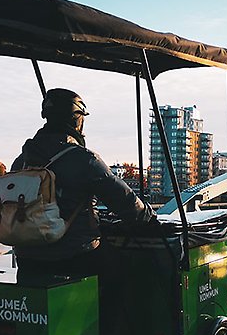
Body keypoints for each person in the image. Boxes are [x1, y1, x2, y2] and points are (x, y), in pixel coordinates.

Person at [12, 87, 155, 279]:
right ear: (76, 120)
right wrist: (149, 219)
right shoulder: (84, 159)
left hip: (27, 257)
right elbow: (125, 201)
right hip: (74, 254)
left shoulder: (21, 160)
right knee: (125, 271)